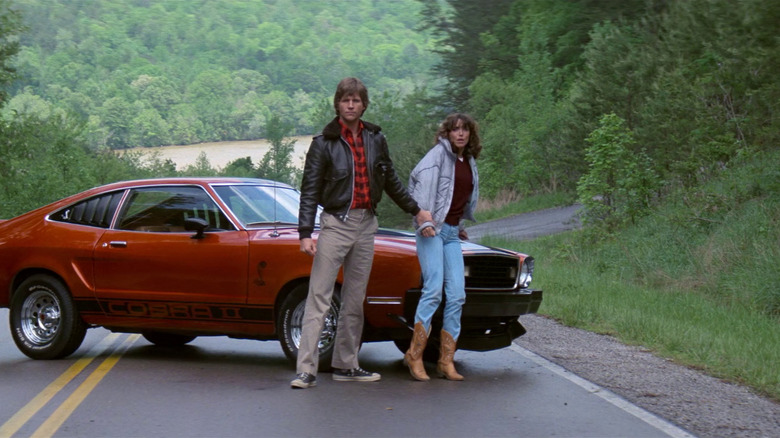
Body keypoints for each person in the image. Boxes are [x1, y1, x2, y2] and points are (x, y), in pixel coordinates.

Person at [292, 77, 433, 389]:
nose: (351, 105)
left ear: (364, 104)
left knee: (355, 300)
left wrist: (417, 210)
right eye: (345, 100)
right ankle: (305, 369)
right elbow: (309, 190)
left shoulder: (375, 138)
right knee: (319, 296)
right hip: (335, 224)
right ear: (338, 104)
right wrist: (305, 233)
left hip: (366, 223)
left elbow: (392, 180)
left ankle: (346, 363)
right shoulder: (323, 143)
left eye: (356, 100)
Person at [405, 113, 481, 381]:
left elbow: (456, 197)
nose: (460, 134)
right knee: (433, 290)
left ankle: (446, 360)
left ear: (470, 134)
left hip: (450, 232)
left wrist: (457, 223)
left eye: (465, 130)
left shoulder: (468, 161)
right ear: (447, 133)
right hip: (431, 230)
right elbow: (420, 185)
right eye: (455, 129)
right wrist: (422, 219)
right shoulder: (438, 155)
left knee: (457, 295)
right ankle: (414, 355)